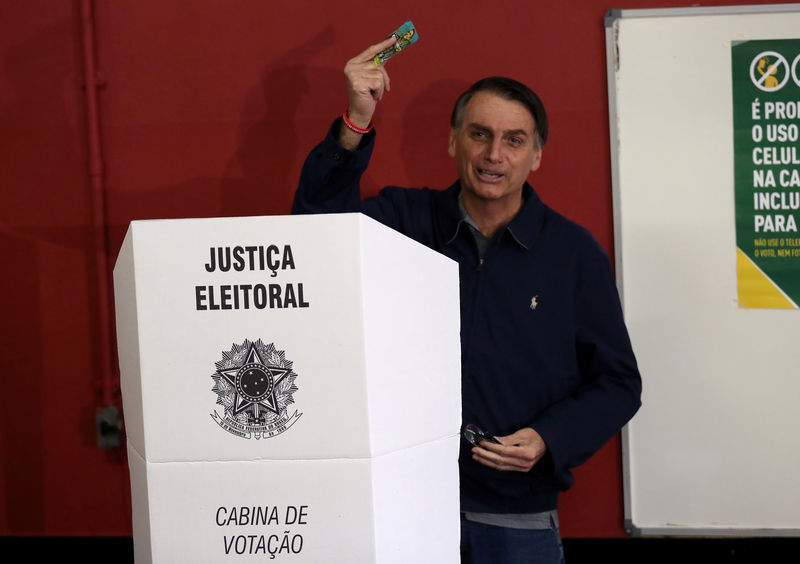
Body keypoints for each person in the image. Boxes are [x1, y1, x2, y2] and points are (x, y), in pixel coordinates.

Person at [293, 37, 642, 564]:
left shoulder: (574, 254)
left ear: (538, 155)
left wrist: (548, 438)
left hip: (515, 519)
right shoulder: (401, 222)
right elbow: (316, 239)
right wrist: (355, 124)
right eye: (479, 134)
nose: (494, 155)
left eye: (514, 140)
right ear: (453, 141)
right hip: (401, 503)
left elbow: (618, 382)